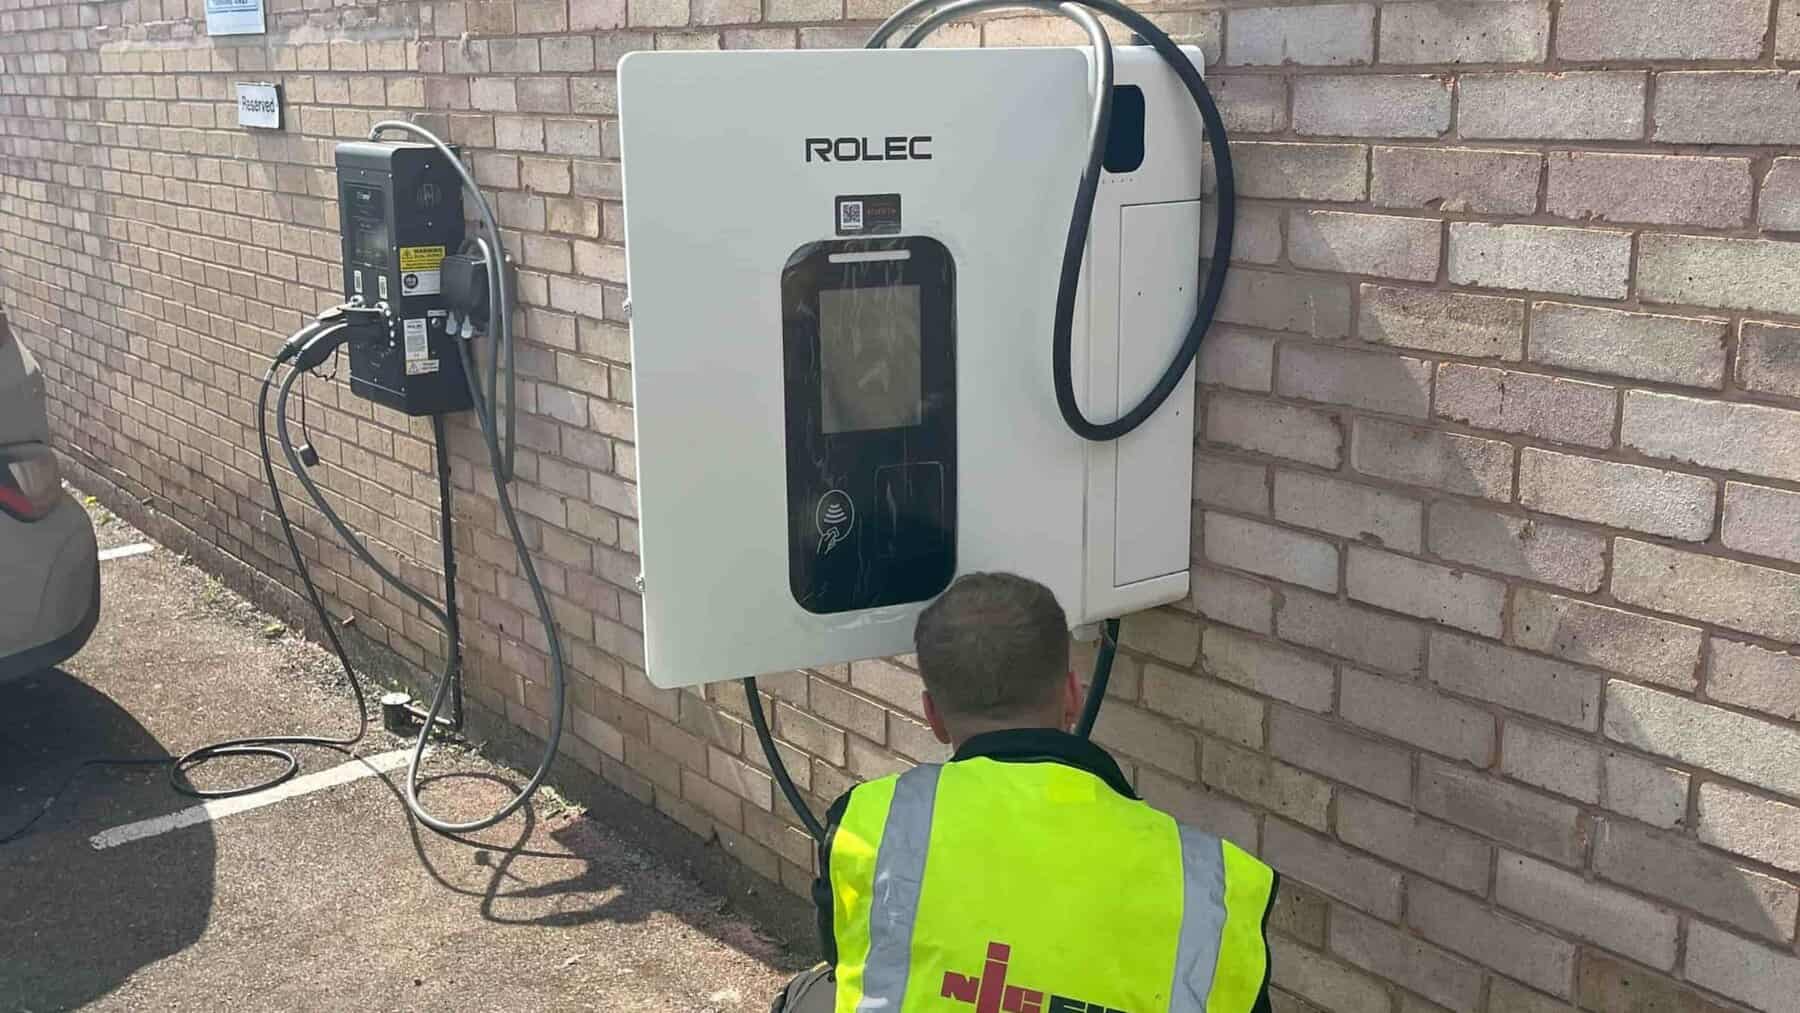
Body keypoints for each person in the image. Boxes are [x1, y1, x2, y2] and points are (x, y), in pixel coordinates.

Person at [772, 571, 1277, 1013]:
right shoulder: (1214, 884)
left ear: (934, 717)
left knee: (811, 992)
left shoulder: (870, 824)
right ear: (1073, 696)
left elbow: (849, 957)